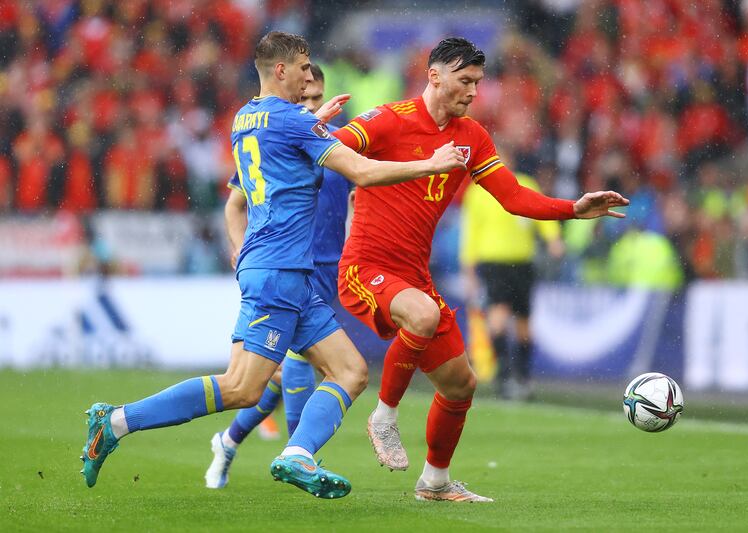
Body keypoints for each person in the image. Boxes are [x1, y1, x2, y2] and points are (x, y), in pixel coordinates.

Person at [79, 31, 467, 499]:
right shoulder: (293, 122)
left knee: (350, 371)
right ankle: (118, 421)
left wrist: (314, 125)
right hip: (280, 271)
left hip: (283, 270)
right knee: (242, 387)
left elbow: (269, 167)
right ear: (281, 70)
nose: (310, 74)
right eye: (304, 67)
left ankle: (296, 453)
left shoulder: (246, 117)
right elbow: (362, 172)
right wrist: (431, 163)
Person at [333, 37, 628, 502]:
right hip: (365, 266)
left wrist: (573, 208)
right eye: (464, 81)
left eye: (477, 83)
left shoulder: (471, 137)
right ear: (435, 76)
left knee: (460, 384)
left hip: (415, 275)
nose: (473, 92)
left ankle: (434, 482)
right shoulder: (388, 120)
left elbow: (514, 196)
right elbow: (329, 150)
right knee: (425, 316)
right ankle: (384, 416)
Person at [205, 64, 353, 489]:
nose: (310, 104)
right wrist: (238, 247)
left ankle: (229, 441)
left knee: (270, 377)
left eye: (316, 98)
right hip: (286, 267)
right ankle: (298, 457)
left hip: (326, 266)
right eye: (304, 97)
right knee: (295, 366)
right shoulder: (278, 140)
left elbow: (359, 197)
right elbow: (234, 205)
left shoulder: (334, 142)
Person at [460, 160, 565, 400]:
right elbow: (471, 232)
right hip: (494, 262)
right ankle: (506, 377)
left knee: (524, 325)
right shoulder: (478, 192)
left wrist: (553, 238)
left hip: (522, 263)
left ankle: (522, 377)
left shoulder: (524, 184)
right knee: (498, 316)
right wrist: (469, 269)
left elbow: (542, 212)